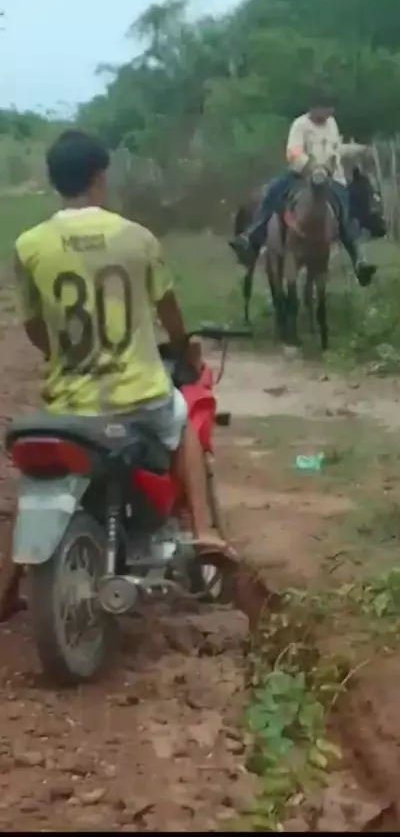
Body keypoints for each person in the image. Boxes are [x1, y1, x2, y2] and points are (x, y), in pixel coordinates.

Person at [0, 129, 232, 622]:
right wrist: (185, 348)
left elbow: (36, 327)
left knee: (41, 477)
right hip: (139, 396)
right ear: (100, 177)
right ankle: (206, 531)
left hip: (71, 401)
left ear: (54, 180)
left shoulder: (29, 245)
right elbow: (169, 312)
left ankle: (11, 582)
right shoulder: (137, 237)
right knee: (183, 424)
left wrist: (63, 356)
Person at [229, 94, 376, 285]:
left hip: (330, 176)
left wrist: (356, 150)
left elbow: (336, 149)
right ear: (313, 108)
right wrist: (311, 166)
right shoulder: (300, 125)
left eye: (330, 108)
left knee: (346, 208)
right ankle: (251, 235)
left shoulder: (332, 124)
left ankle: (359, 259)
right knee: (273, 191)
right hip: (303, 174)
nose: (327, 112)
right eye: (323, 108)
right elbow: (294, 151)